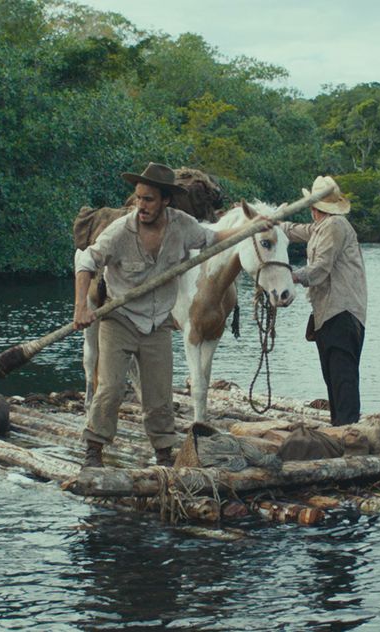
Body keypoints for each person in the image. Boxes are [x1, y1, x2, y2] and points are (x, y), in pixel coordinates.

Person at [72, 162, 250, 469]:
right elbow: (86, 261)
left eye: (149, 199)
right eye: (139, 198)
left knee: (159, 397)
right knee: (111, 388)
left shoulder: (182, 226)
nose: (141, 205)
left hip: (157, 324)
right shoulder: (120, 231)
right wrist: (81, 307)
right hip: (120, 318)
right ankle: (94, 451)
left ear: (166, 200)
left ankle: (164, 454)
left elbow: (213, 239)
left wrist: (249, 229)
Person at [279, 176, 367, 426]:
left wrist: (291, 276)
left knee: (343, 379)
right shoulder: (321, 226)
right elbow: (292, 230)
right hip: (327, 314)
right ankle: (341, 430)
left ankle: (348, 433)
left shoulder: (335, 225)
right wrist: (267, 221)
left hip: (342, 312)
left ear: (313, 207)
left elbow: (320, 269)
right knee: (334, 378)